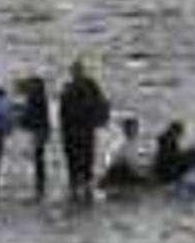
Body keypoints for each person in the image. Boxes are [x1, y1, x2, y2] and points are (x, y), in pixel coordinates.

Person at [57, 60, 110, 202]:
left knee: (77, 159)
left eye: (76, 71)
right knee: (83, 158)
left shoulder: (70, 89)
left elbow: (62, 113)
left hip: (77, 130)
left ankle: (78, 186)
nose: (76, 73)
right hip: (82, 130)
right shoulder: (88, 86)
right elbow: (103, 103)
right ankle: (82, 186)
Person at [18, 76, 51, 198]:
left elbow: (31, 114)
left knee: (38, 157)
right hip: (42, 129)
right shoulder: (41, 97)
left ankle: (39, 184)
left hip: (39, 130)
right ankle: (40, 183)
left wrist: (22, 121)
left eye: (32, 84)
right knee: (39, 156)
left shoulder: (35, 98)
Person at [100, 117, 149, 187]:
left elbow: (144, 162)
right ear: (124, 129)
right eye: (129, 128)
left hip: (134, 174)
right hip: (121, 172)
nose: (131, 131)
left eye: (134, 128)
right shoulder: (117, 144)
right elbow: (110, 162)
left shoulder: (142, 144)